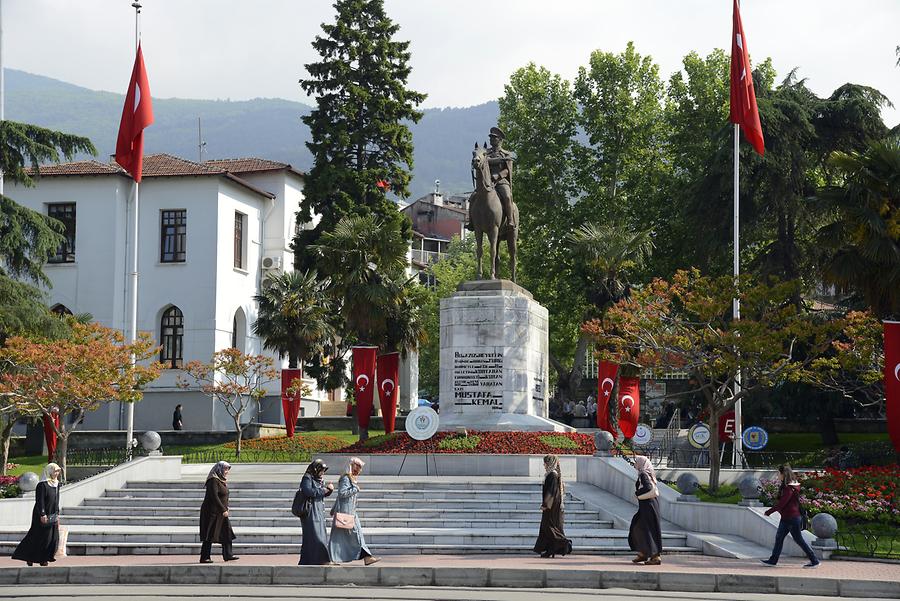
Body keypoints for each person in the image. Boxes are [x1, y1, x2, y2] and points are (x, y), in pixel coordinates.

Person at [761, 465, 820, 568]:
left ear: (784, 474)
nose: (777, 475)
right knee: (780, 538)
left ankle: (814, 560)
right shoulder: (788, 486)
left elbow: (782, 503)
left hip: (792, 518)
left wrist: (769, 511)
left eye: (779, 473)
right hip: (787, 518)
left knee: (798, 540)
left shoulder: (789, 488)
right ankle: (773, 560)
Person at [328, 457, 379, 565]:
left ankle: (366, 557)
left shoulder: (350, 478)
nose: (360, 470)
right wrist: (355, 489)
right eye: (359, 466)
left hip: (349, 512)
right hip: (346, 513)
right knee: (346, 535)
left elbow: (339, 496)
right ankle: (331, 558)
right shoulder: (346, 478)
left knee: (355, 534)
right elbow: (341, 493)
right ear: (353, 466)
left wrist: (333, 509)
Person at [12, 463, 61, 566]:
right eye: (54, 471)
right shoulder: (42, 485)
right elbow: (40, 501)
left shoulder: (57, 484)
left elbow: (57, 500)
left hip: (52, 513)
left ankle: (45, 557)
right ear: (49, 471)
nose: (56, 473)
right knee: (38, 536)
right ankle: (31, 556)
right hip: (41, 513)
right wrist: (42, 514)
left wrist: (57, 514)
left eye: (57, 471)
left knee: (52, 536)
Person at [533, 454, 572, 558]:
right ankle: (550, 549)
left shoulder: (552, 475)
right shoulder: (552, 474)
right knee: (549, 527)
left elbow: (551, 492)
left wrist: (546, 505)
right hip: (553, 505)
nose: (544, 465)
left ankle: (564, 543)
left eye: (545, 463)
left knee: (549, 527)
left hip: (552, 506)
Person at [199, 461, 237, 563]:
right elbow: (214, 496)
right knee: (209, 533)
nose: (227, 471)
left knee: (227, 532)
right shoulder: (213, 480)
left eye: (228, 469)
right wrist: (223, 509)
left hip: (220, 512)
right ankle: (205, 557)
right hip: (211, 512)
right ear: (219, 469)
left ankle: (228, 555)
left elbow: (223, 496)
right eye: (225, 469)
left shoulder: (221, 480)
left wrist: (226, 507)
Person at [628, 455, 663, 565]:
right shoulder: (647, 472)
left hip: (648, 505)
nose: (635, 464)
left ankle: (655, 556)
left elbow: (647, 487)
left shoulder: (643, 473)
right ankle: (644, 553)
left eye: (636, 462)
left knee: (646, 529)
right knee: (639, 526)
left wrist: (637, 494)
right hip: (650, 504)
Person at [299, 458, 334, 565]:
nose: (323, 473)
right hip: (310, 512)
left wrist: (329, 490)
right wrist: (324, 490)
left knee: (319, 535)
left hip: (318, 511)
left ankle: (314, 560)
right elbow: (308, 491)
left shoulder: (318, 479)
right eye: (321, 470)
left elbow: (320, 493)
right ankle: (321, 560)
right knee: (314, 536)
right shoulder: (307, 478)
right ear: (315, 469)